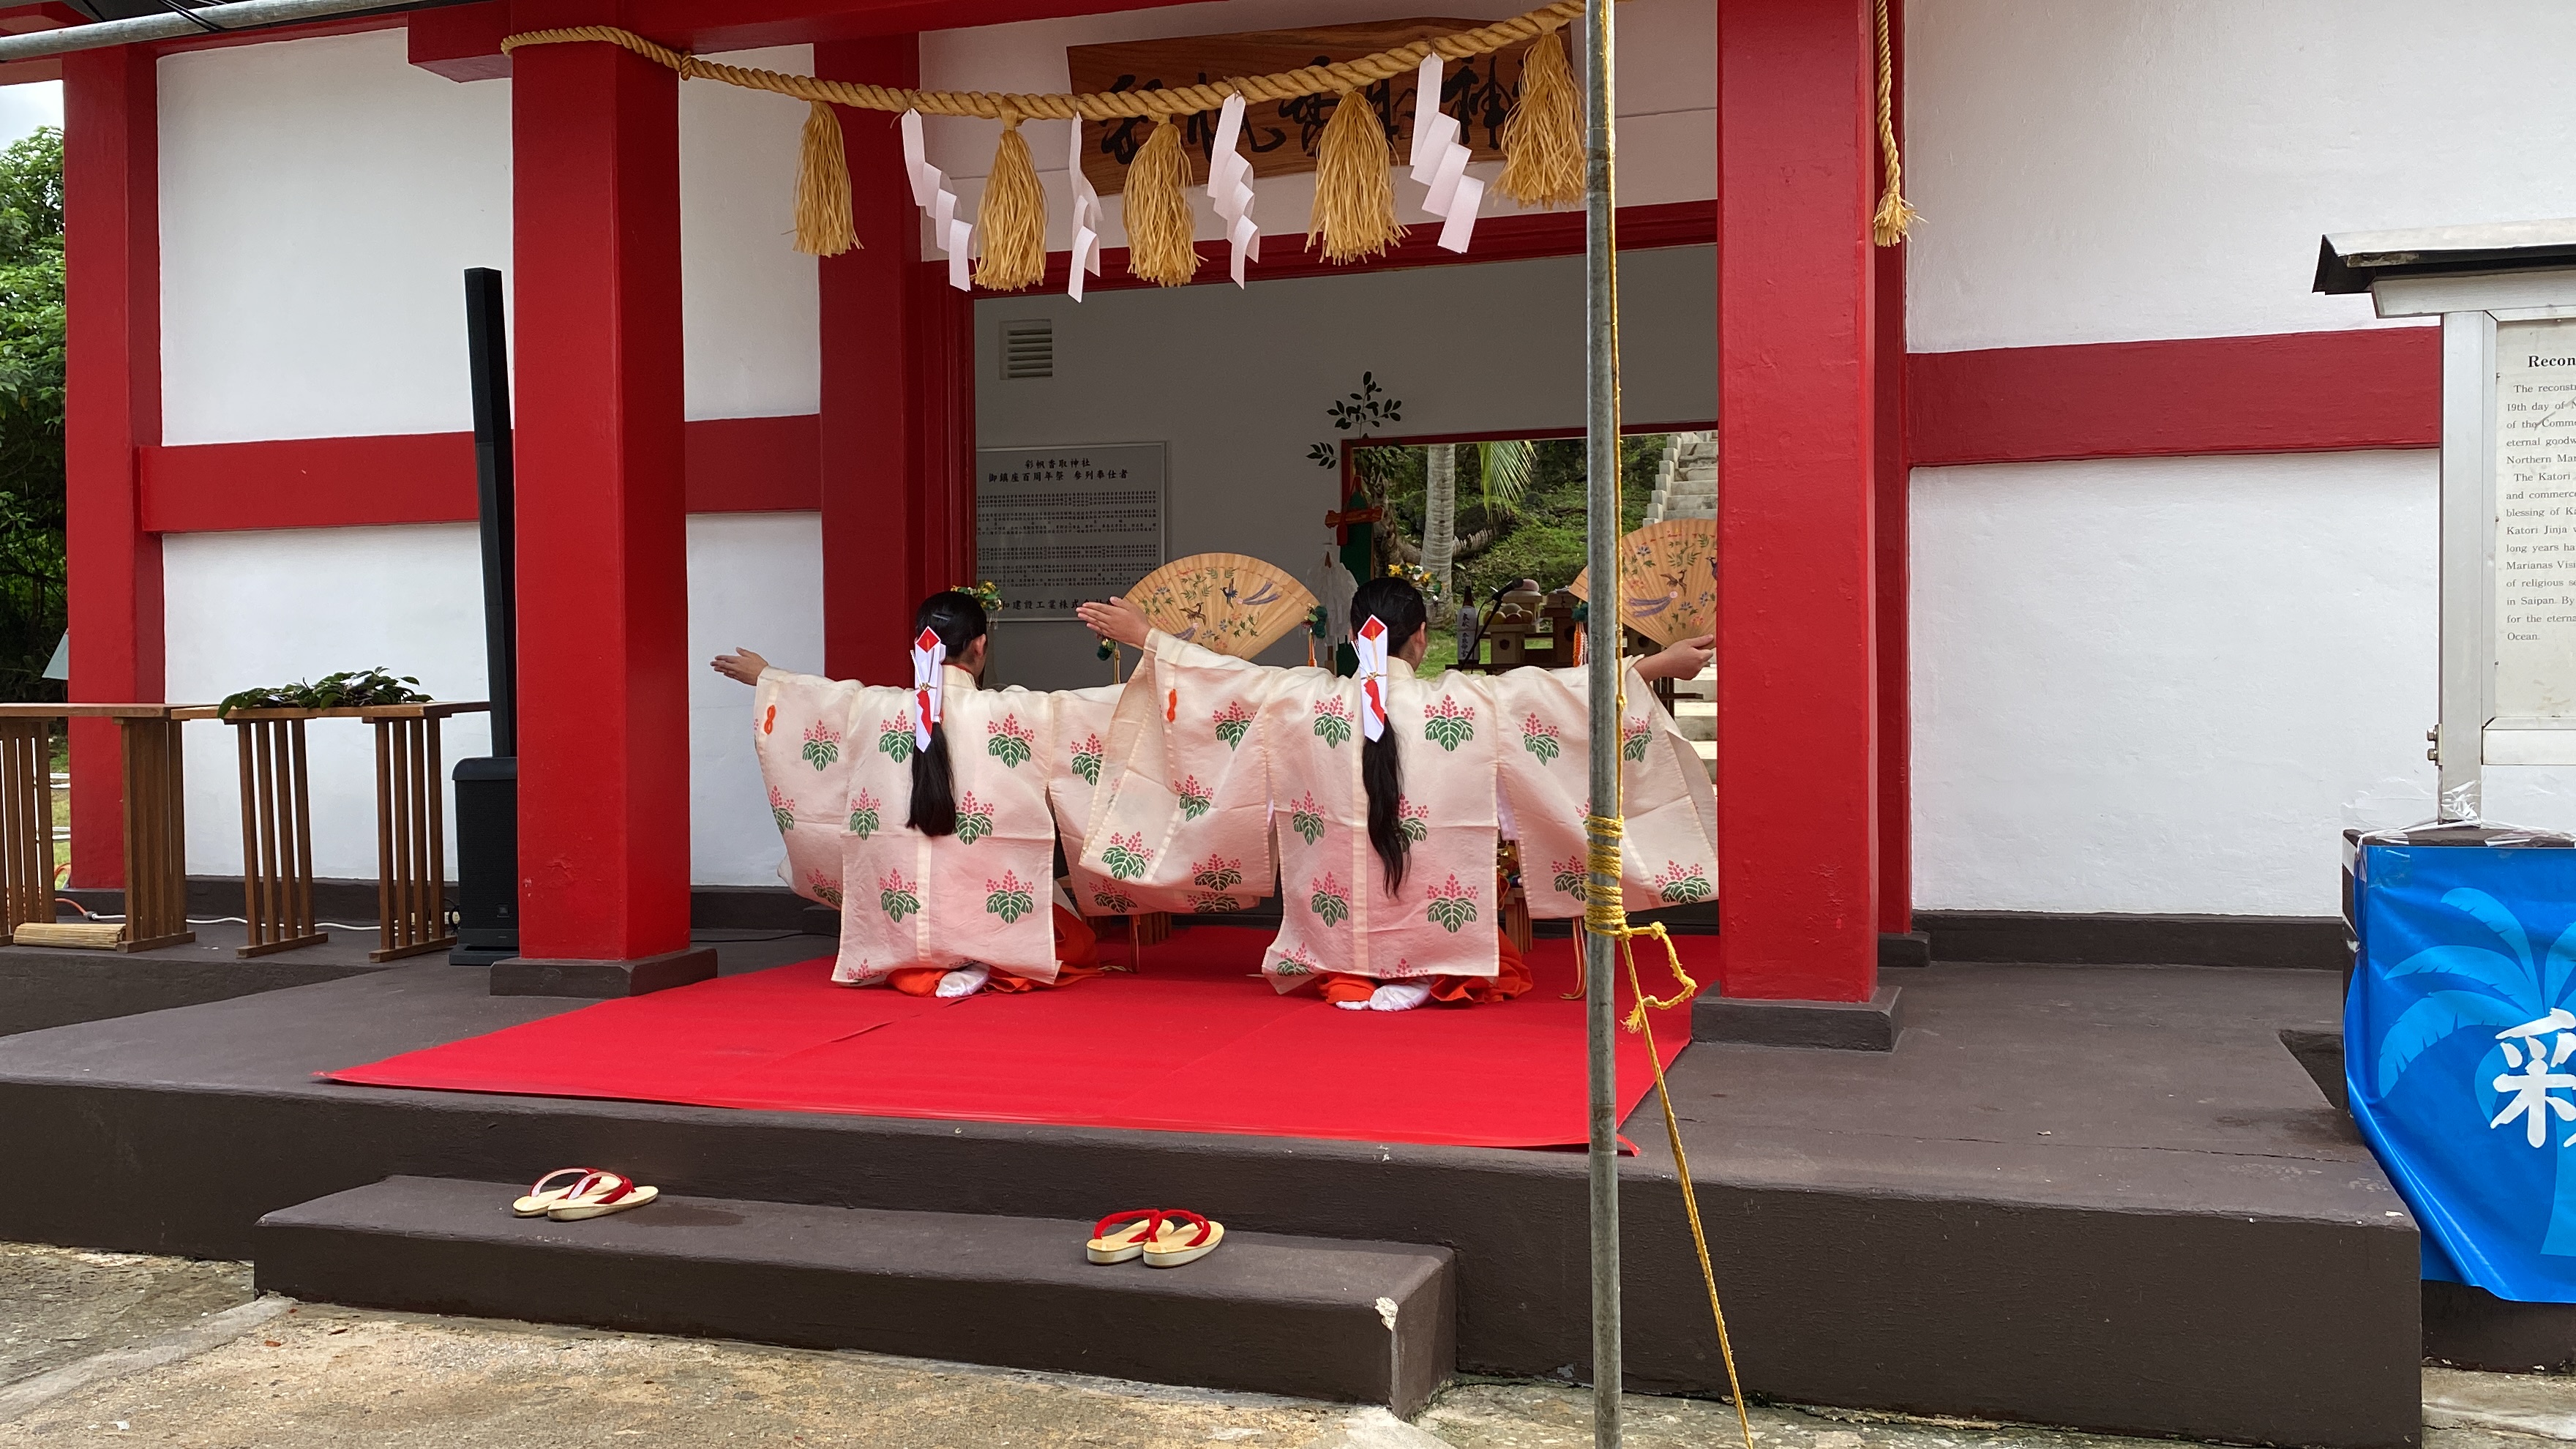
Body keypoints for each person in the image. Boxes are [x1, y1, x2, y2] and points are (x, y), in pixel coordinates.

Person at [1076, 577, 1715, 1011]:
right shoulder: (1464, 701)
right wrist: (1660, 664)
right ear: (1420, 640)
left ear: (1356, 638)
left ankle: (1359, 967)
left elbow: (1225, 679)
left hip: (1337, 935)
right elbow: (1560, 692)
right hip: (1439, 923)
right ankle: (1424, 967)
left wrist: (1150, 637)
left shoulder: (1304, 700)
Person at [713, 590, 1155, 997]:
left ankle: (927, 962)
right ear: (979, 645)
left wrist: (768, 678)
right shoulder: (1021, 710)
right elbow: (1111, 711)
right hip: (990, 907)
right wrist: (1151, 644)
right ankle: (986, 959)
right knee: (1074, 941)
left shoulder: (874, 709)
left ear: (919, 646)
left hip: (905, 918)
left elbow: (822, 699)